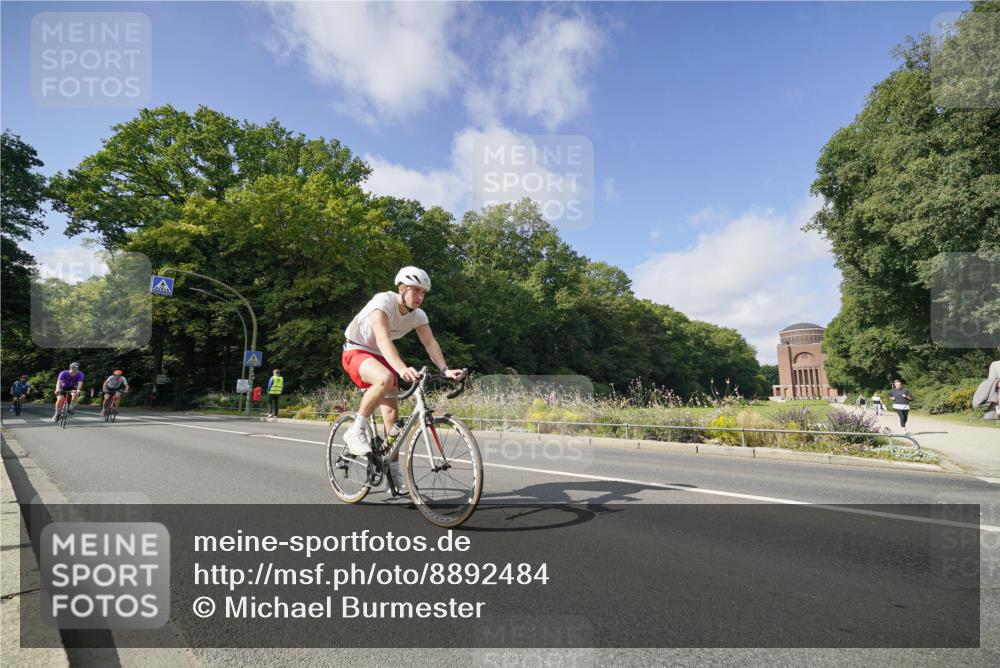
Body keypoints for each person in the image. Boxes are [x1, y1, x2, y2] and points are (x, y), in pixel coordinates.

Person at [341, 266, 464, 492]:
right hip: (356, 349)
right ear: (402, 288)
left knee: (392, 417)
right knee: (385, 377)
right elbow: (382, 339)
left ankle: (394, 471)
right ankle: (355, 430)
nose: (420, 297)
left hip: (381, 355)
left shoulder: (418, 315)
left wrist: (445, 370)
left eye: (423, 292)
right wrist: (401, 368)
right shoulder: (383, 302)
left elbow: (430, 343)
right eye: (416, 290)